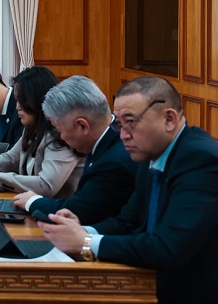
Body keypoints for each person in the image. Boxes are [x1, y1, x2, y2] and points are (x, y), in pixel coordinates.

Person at [40, 76, 218, 302]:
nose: (123, 135)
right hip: (159, 287)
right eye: (119, 124)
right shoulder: (151, 156)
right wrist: (81, 231)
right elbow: (128, 222)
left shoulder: (204, 163)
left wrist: (85, 243)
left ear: (169, 119)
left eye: (131, 122)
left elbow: (168, 248)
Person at [12, 76, 136, 224]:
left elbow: (79, 211)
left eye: (59, 131)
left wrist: (32, 201)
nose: (61, 137)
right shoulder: (108, 134)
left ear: (82, 126)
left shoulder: (113, 161)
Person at [0, 66, 84, 197]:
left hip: (61, 207)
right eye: (17, 100)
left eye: (22, 100)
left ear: (39, 99)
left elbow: (46, 185)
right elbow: (11, 158)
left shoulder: (62, 133)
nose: (17, 106)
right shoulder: (33, 127)